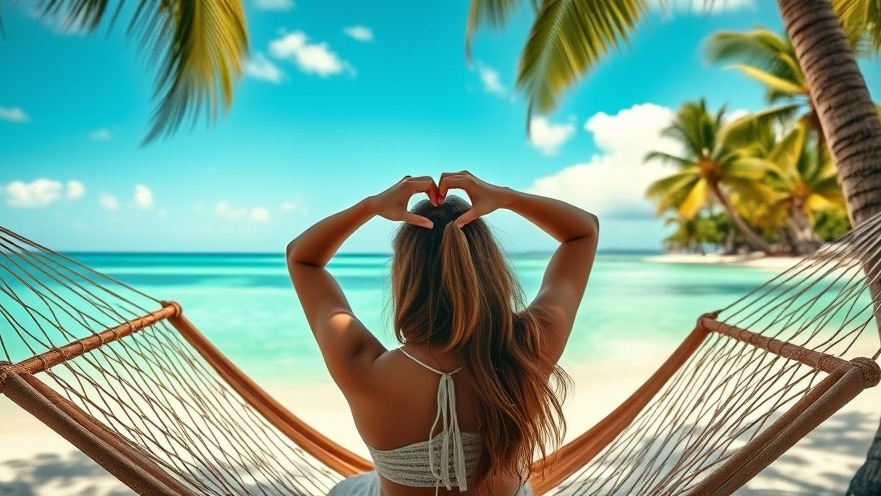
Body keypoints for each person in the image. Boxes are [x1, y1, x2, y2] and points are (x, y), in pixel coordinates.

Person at [286, 171, 599, 495]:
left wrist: (370, 206)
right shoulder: (527, 350)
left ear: (405, 276)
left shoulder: (361, 365)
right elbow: (583, 232)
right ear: (488, 269)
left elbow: (302, 258)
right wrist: (506, 196)